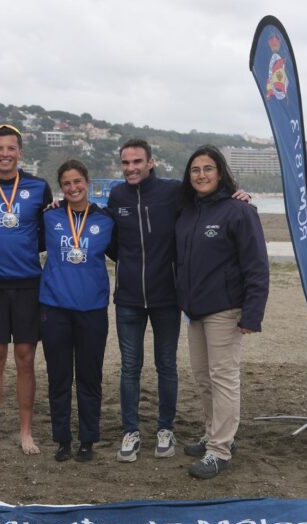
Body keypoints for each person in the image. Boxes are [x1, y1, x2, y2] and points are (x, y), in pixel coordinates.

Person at [109, 138, 250, 463]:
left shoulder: (173, 191)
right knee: (130, 367)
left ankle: (165, 429)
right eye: (126, 163)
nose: (131, 168)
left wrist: (238, 196)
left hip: (167, 298)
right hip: (129, 297)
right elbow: (111, 239)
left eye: (137, 162)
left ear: (151, 162)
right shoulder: (117, 196)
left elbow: (210, 200)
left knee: (167, 366)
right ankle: (130, 430)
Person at [175, 145, 268, 479]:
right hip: (194, 310)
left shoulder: (239, 211)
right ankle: (216, 432)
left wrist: (252, 314)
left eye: (208, 168)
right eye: (195, 169)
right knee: (203, 378)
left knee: (224, 378)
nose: (201, 175)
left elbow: (257, 265)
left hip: (225, 310)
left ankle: (220, 451)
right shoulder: (187, 211)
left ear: (221, 172)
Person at [0, 124, 53, 456]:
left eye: (11, 148)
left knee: (25, 358)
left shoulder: (38, 186)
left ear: (20, 152)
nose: (5, 154)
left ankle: (25, 432)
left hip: (27, 284)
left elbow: (51, 229)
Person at [40, 160, 115, 463]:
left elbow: (131, 250)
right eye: (67, 183)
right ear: (61, 187)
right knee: (58, 377)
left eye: (78, 181)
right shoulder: (49, 217)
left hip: (92, 309)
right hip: (54, 307)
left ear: (87, 182)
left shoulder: (106, 220)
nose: (73, 188)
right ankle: (62, 439)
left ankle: (87, 439)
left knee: (89, 377)